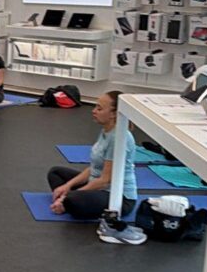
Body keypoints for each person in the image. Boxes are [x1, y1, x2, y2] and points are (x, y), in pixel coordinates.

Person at [45, 90, 138, 219]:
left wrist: (66, 196)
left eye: (99, 109)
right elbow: (93, 167)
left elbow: (104, 181)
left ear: (114, 114)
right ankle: (67, 202)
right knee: (55, 173)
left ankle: (65, 203)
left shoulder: (118, 138)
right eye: (95, 107)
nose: (93, 111)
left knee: (72, 198)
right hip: (97, 186)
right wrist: (67, 186)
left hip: (117, 197)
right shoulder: (106, 130)